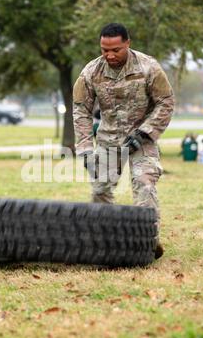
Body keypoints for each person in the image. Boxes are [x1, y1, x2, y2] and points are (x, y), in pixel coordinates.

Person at [73, 23, 175, 258]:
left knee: (144, 182)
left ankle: (147, 240)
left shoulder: (148, 67)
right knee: (100, 189)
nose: (109, 55)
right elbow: (81, 111)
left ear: (127, 43)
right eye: (104, 50)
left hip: (142, 138)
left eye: (116, 50)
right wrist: (86, 149)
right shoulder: (90, 72)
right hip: (109, 139)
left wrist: (146, 132)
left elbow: (166, 102)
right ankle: (105, 240)